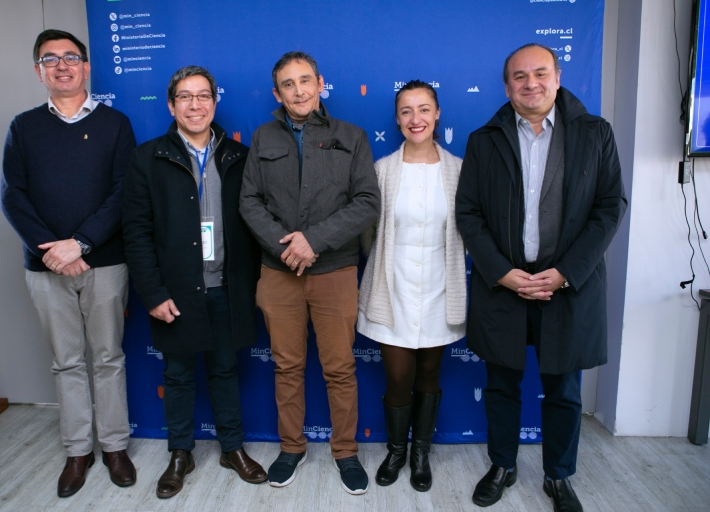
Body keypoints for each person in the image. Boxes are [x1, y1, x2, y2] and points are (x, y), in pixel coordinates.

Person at [455, 43, 627, 511]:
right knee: (501, 385)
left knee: (564, 391)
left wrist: (566, 273)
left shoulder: (595, 133)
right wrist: (502, 272)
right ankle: (503, 465)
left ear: (557, 76)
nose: (530, 84)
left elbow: (610, 207)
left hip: (568, 286)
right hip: (504, 285)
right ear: (506, 85)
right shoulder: (483, 139)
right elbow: (468, 214)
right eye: (519, 76)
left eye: (540, 73)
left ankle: (558, 476)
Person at [1, 29, 137, 497]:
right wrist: (53, 250)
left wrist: (79, 243)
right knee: (66, 363)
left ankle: (115, 447)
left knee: (108, 358)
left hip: (105, 263)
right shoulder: (23, 126)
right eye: (50, 59)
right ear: (38, 70)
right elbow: (12, 197)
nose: (62, 65)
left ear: (86, 67)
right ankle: (78, 451)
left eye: (71, 57)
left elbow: (124, 195)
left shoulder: (116, 124)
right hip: (45, 268)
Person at [122, 66, 268, 499]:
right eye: (185, 97)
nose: (195, 105)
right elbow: (137, 232)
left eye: (203, 96)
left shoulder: (238, 157)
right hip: (177, 291)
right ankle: (180, 454)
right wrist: (153, 292)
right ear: (171, 106)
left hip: (228, 286)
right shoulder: (148, 158)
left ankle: (232, 448)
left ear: (214, 103)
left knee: (225, 370)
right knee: (180, 374)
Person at [240, 51, 380, 495]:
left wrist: (313, 241)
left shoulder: (351, 137)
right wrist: (288, 247)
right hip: (279, 272)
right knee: (287, 366)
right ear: (277, 91)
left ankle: (345, 451)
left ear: (321, 83)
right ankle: (291, 447)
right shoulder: (263, 137)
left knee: (339, 368)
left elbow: (366, 202)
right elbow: (249, 202)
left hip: (335, 271)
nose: (298, 91)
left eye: (305, 81)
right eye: (288, 84)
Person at [357, 80, 467, 492]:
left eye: (424, 109)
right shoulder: (383, 169)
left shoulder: (458, 169)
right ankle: (396, 450)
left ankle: (420, 453)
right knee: (398, 377)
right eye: (406, 111)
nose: (415, 118)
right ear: (397, 118)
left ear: (437, 114)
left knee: (430, 374)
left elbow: (467, 233)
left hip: (441, 286)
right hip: (392, 286)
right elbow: (367, 234)